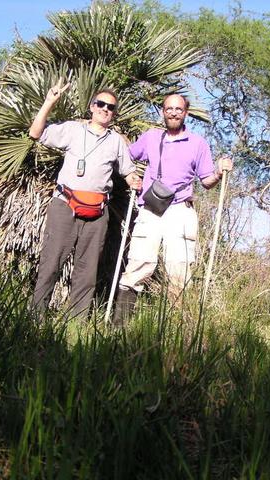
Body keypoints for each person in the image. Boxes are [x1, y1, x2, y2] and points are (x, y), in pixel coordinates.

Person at [113, 93, 233, 324]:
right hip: (150, 208)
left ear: (185, 113)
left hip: (180, 211)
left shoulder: (198, 143)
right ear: (162, 112)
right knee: (139, 263)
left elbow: (207, 181)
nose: (174, 112)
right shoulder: (150, 137)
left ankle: (175, 331)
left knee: (179, 271)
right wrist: (131, 176)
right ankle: (119, 328)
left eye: (178, 109)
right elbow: (126, 157)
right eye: (169, 108)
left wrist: (219, 171)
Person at [29, 81, 142, 317]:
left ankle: (76, 324)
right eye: (100, 104)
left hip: (98, 212)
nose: (105, 109)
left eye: (110, 107)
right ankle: (35, 317)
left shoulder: (116, 142)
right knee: (51, 264)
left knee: (87, 271)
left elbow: (128, 171)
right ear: (91, 107)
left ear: (113, 113)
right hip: (65, 205)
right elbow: (35, 133)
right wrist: (49, 102)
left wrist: (134, 180)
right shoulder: (72, 129)